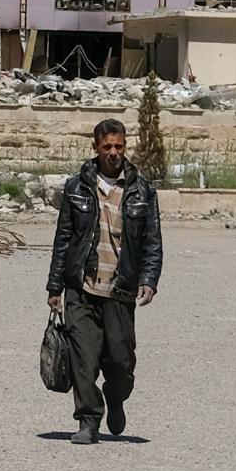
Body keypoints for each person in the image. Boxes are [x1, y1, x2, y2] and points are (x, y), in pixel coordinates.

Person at [45, 117, 162, 445]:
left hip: (120, 288)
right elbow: (64, 238)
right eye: (107, 146)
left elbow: (152, 241)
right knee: (83, 357)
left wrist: (149, 279)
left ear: (125, 146)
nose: (113, 152)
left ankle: (115, 396)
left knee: (121, 362)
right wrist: (55, 286)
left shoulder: (142, 191)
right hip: (81, 287)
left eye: (119, 146)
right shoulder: (76, 187)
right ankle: (88, 420)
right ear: (95, 148)